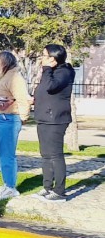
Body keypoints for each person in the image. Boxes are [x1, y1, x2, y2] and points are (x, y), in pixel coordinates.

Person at [33, 44, 75, 203]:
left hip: (56, 119)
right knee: (45, 155)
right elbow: (43, 89)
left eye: (44, 55)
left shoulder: (64, 72)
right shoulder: (50, 72)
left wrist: (46, 69)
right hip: (44, 117)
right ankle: (47, 187)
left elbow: (51, 87)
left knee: (55, 155)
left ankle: (59, 191)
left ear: (53, 58)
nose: (41, 58)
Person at [0, 51, 31, 201]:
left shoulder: (15, 77)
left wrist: (23, 117)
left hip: (8, 119)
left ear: (4, 62)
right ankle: (7, 183)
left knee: (6, 155)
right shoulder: (2, 75)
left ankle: (11, 187)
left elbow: (22, 99)